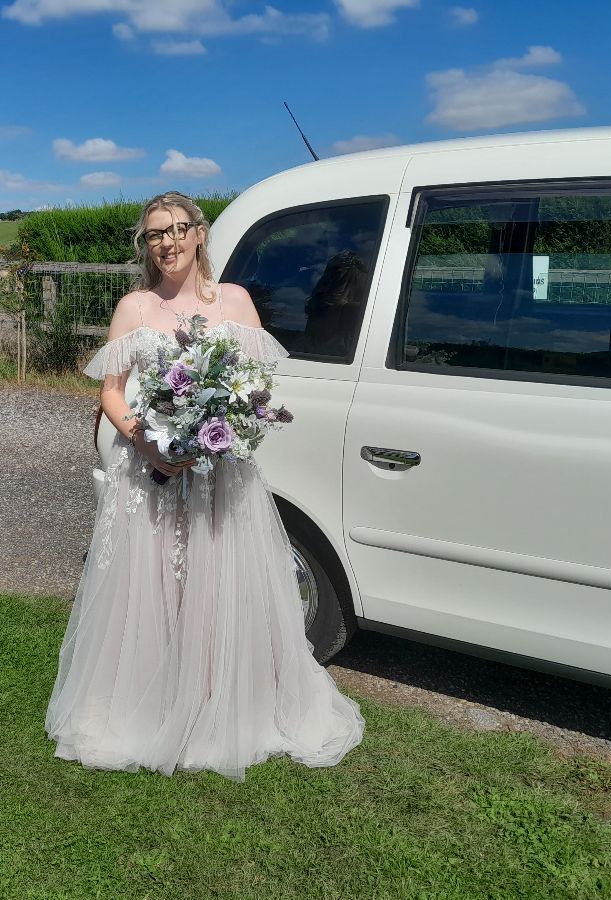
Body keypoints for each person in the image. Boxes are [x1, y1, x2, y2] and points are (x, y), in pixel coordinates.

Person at [44, 192, 364, 782]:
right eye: (155, 234)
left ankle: (226, 705)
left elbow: (255, 388)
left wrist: (224, 428)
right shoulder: (134, 308)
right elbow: (110, 392)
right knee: (156, 588)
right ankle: (152, 705)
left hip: (222, 478)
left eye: (177, 230)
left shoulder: (235, 301)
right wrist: (146, 441)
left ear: (199, 233)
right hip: (153, 474)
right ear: (145, 245)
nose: (167, 243)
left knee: (219, 584)